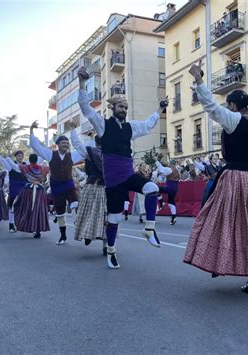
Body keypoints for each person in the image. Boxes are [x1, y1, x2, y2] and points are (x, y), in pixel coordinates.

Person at [184, 60, 248, 296]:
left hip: (235, 178)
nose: (225, 109)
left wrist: (198, 80)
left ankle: (220, 262)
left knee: (219, 220)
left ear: (233, 105)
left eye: (228, 105)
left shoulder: (234, 119)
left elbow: (210, 107)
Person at [78, 66, 168, 269]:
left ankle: (150, 228)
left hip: (128, 174)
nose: (124, 111)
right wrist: (82, 83)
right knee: (114, 218)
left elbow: (148, 124)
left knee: (152, 188)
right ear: (113, 108)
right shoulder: (103, 125)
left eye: (126, 108)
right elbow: (85, 108)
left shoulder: (130, 127)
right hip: (112, 180)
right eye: (121, 108)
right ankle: (111, 252)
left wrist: (159, 109)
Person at [30, 121, 83, 245]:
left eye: (67, 143)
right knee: (60, 212)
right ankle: (63, 235)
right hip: (56, 186)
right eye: (63, 143)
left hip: (69, 184)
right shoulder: (50, 154)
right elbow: (36, 146)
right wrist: (31, 131)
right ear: (57, 145)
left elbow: (83, 148)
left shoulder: (73, 156)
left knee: (75, 203)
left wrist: (73, 131)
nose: (66, 145)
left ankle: (78, 225)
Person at [69, 129, 108, 255]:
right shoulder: (111, 154)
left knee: (88, 212)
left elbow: (77, 144)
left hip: (92, 186)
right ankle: (106, 245)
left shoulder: (90, 151)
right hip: (105, 187)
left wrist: (73, 130)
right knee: (106, 216)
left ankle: (88, 234)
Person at [0, 145, 28, 232]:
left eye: (22, 156)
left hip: (25, 188)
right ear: (15, 156)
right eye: (19, 155)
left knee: (25, 206)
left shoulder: (26, 165)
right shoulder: (10, 165)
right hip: (14, 187)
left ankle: (22, 224)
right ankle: (11, 224)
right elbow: (1, 160)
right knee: (12, 205)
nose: (21, 157)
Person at [12, 153, 50, 238]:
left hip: (28, 189)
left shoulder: (25, 167)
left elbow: (16, 167)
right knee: (39, 209)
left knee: (25, 208)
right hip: (40, 190)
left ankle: (26, 225)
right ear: (37, 160)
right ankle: (38, 230)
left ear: (29, 160)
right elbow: (44, 178)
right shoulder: (43, 168)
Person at [156, 156, 180, 225]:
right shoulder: (176, 170)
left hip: (170, 187)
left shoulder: (170, 169)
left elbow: (162, 169)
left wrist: (157, 162)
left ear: (171, 164)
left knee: (157, 189)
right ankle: (173, 218)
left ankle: (161, 203)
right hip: (175, 188)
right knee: (171, 203)